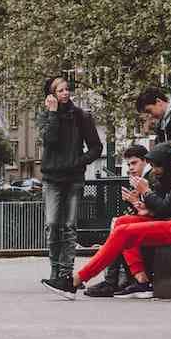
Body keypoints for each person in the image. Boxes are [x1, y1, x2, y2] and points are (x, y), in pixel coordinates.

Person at [42, 131, 171, 299]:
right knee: (122, 223)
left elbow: (167, 207)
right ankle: (142, 281)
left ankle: (75, 282)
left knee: (123, 231)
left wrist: (146, 192)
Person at [37, 76, 104, 291]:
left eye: (67, 89)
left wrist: (78, 162)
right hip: (52, 179)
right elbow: (50, 141)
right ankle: (55, 270)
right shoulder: (46, 116)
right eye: (60, 91)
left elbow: (96, 147)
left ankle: (65, 274)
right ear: (51, 95)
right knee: (52, 225)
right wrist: (53, 113)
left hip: (73, 178)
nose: (65, 93)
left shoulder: (82, 116)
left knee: (69, 227)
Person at [84, 145, 150, 297]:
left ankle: (112, 281)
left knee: (121, 227)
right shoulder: (139, 180)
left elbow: (156, 208)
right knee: (119, 225)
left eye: (134, 163)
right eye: (128, 164)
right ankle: (114, 280)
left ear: (145, 161)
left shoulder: (148, 179)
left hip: (159, 223)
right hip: (149, 221)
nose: (130, 168)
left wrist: (135, 202)